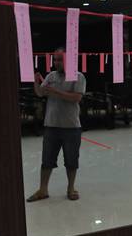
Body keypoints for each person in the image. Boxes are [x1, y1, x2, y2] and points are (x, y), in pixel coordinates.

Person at [27, 47, 87, 202]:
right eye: (55, 59)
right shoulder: (51, 76)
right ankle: (43, 190)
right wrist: (36, 82)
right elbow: (40, 93)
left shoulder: (78, 77)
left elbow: (76, 98)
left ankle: (70, 188)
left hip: (71, 127)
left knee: (71, 160)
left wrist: (55, 92)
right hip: (51, 126)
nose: (56, 62)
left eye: (60, 59)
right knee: (47, 160)